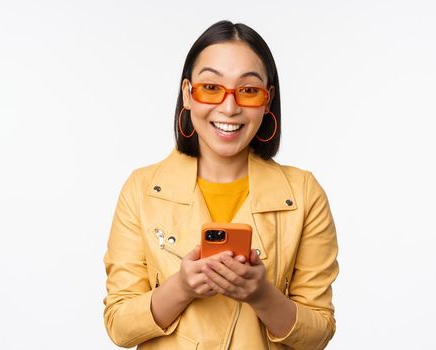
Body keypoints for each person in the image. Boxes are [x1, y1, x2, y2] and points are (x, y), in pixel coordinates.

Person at [102, 20, 339, 349]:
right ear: (187, 94)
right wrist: (182, 287)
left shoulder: (302, 193)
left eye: (249, 90)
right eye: (211, 88)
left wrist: (261, 294)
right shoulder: (141, 190)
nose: (229, 107)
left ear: (267, 100)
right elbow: (120, 326)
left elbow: (318, 332)